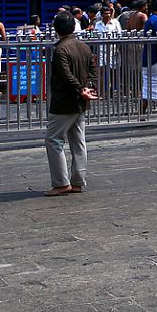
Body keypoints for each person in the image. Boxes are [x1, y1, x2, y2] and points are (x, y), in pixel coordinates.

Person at [43, 10, 98, 196]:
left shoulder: (60, 50)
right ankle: (77, 181)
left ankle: (60, 182)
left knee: (53, 139)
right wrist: (87, 88)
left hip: (64, 102)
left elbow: (66, 75)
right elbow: (92, 71)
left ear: (56, 30)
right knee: (78, 141)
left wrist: (80, 89)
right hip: (80, 101)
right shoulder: (84, 47)